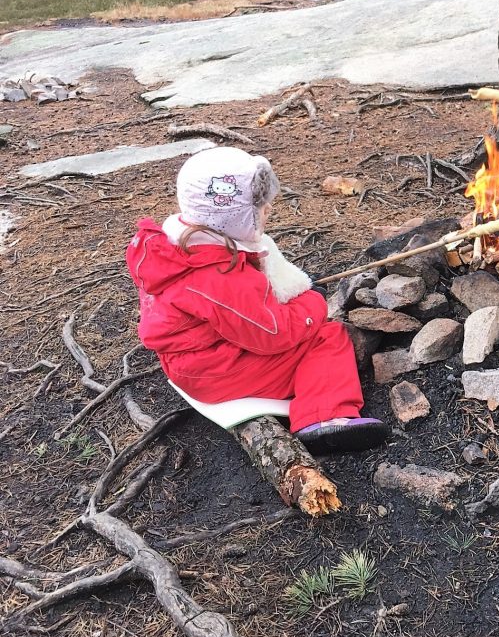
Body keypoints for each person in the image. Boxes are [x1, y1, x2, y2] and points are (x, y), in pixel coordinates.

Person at [126, 146, 390, 452]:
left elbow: (238, 314)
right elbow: (273, 334)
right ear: (232, 217)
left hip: (190, 361)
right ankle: (325, 418)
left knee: (309, 330)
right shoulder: (221, 276)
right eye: (261, 208)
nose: (269, 211)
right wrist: (312, 304)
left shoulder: (179, 248)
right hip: (217, 373)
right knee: (327, 336)